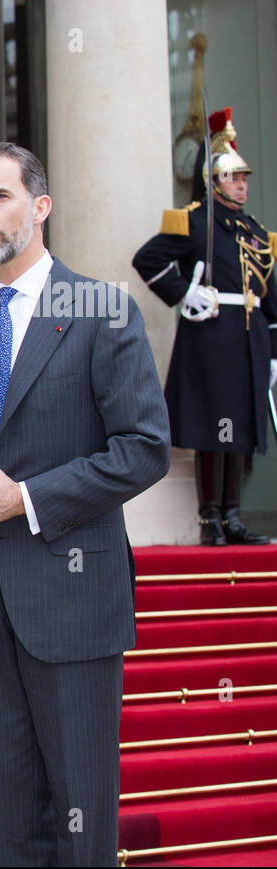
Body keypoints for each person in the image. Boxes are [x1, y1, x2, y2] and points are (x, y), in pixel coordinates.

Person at [0, 143, 170, 866]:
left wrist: (26, 499)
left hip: (74, 606)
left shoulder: (101, 312)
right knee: (4, 827)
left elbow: (143, 447)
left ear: (40, 206)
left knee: (81, 824)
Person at [133, 107, 276, 546]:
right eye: (233, 177)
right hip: (212, 336)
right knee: (217, 427)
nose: (242, 184)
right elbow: (148, 259)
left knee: (242, 429)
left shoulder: (254, 231)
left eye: (244, 177)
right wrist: (183, 294)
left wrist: (273, 350)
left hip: (248, 337)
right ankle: (210, 519)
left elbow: (270, 296)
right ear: (214, 181)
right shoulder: (195, 220)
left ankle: (232, 516)